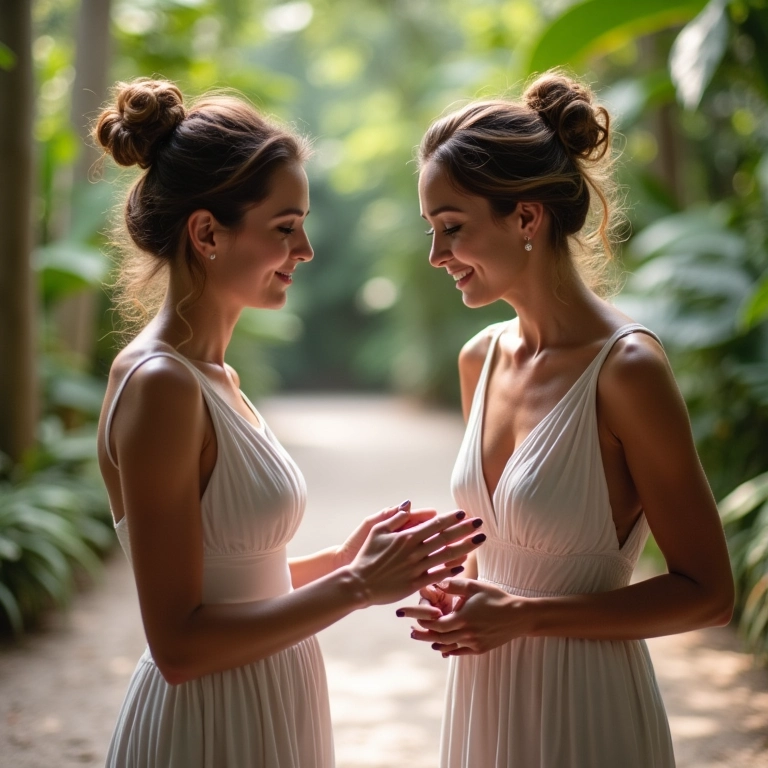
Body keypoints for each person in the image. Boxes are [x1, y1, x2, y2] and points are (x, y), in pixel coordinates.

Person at [93, 77, 486, 768]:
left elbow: (230, 578)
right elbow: (180, 646)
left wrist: (344, 559)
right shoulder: (161, 386)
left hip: (269, 693)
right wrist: (358, 586)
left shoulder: (215, 379)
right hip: (208, 724)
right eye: (284, 227)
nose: (304, 250)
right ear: (207, 232)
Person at [396, 71, 735, 767]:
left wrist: (525, 616)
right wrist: (452, 579)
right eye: (431, 231)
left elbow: (708, 595)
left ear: (526, 217)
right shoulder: (478, 360)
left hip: (588, 712)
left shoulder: (627, 368)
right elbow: (504, 544)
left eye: (451, 228)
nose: (436, 256)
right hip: (485, 701)